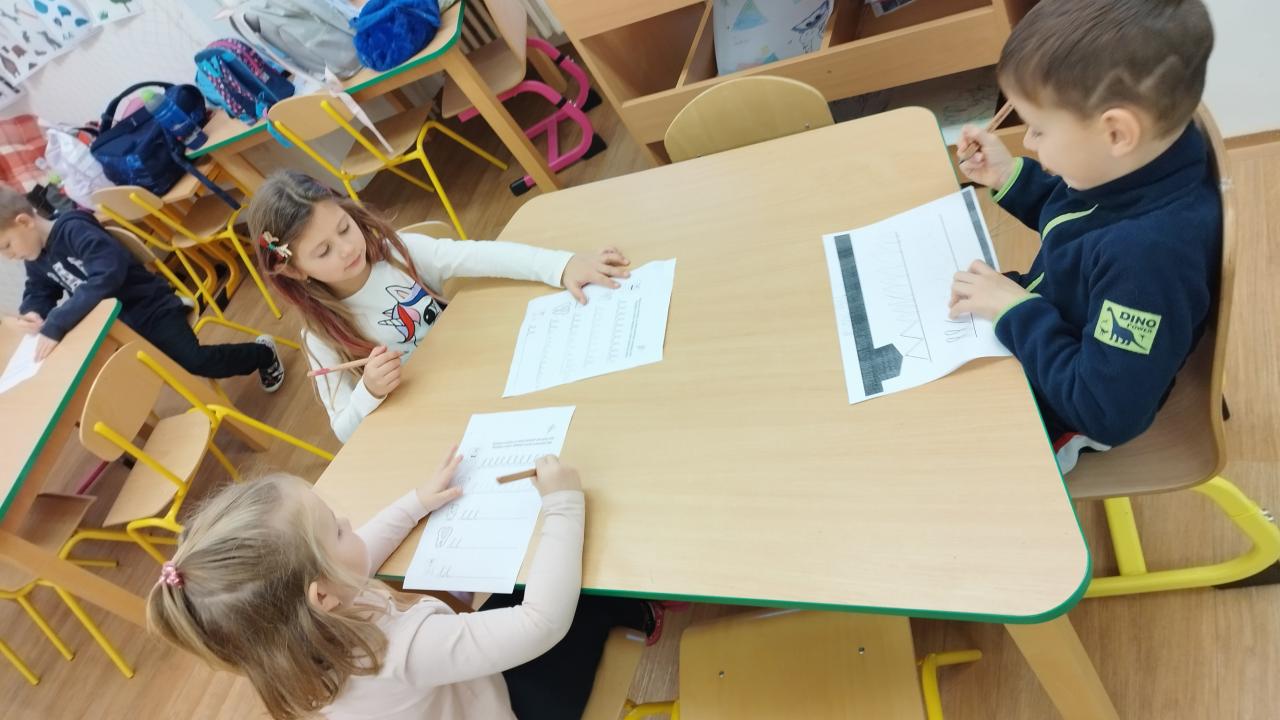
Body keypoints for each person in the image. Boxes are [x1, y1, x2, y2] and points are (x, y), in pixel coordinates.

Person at [148, 453, 673, 720]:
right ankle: (638, 615)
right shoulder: (404, 650)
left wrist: (415, 503)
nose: (350, 522)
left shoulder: (296, 636)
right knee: (574, 594)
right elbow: (543, 623)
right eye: (336, 528)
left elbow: (358, 556)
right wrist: (563, 502)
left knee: (525, 586)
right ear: (321, 595)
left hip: (457, 693)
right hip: (508, 711)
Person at [948, 0, 1218, 471]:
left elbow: (1104, 410)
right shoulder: (1142, 165)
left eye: (1038, 129)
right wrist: (1009, 175)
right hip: (1049, 323)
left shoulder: (1148, 259)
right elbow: (1079, 219)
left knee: (944, 460)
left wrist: (1017, 312)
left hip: (1067, 407)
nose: (1027, 142)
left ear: (1115, 133)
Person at [245, 172, 631, 441]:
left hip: (485, 369)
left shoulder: (397, 253)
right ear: (293, 269)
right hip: (445, 420)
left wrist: (561, 265)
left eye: (345, 228)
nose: (347, 249)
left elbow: (480, 256)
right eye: (323, 251)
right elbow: (344, 432)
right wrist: (369, 392)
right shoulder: (320, 336)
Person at [0, 189, 284, 390]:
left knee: (195, 361)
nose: (9, 256)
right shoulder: (35, 257)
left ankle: (263, 353)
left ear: (24, 222)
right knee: (115, 381)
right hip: (120, 324)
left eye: (7, 246)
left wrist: (58, 322)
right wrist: (33, 311)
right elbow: (39, 288)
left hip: (150, 307)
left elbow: (107, 275)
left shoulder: (75, 230)